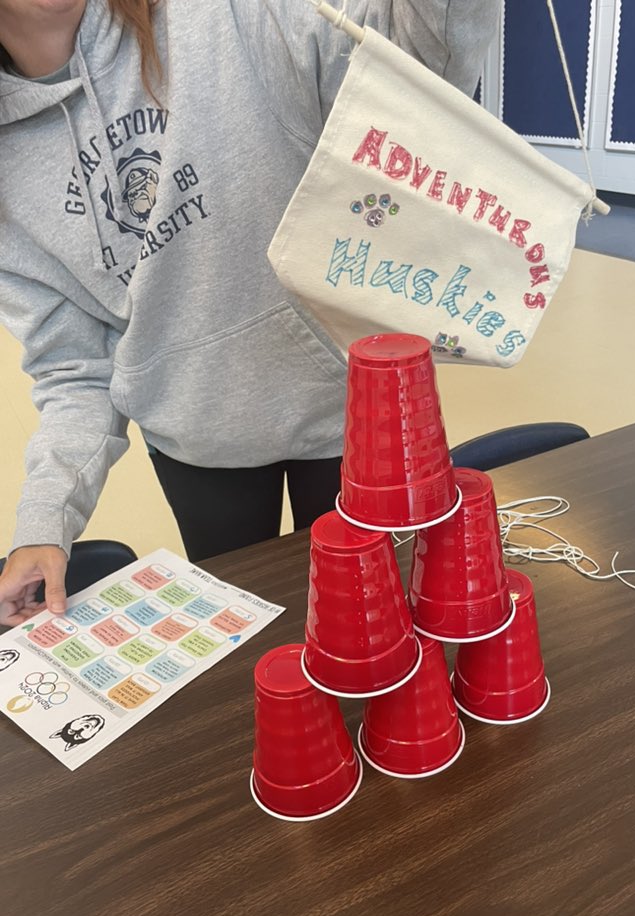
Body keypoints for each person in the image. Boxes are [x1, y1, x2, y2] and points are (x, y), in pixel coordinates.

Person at [0, 0, 501, 626]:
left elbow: (422, 78)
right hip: (195, 444)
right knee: (255, 653)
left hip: (352, 406)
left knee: (378, 632)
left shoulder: (223, 15)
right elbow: (75, 368)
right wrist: (44, 524)